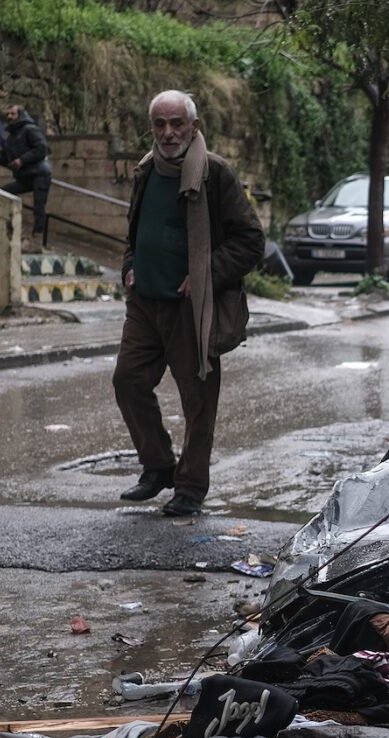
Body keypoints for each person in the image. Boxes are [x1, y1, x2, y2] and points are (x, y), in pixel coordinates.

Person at [113, 90, 263, 517]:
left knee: (198, 403)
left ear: (194, 126)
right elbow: (133, 233)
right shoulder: (146, 170)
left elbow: (251, 241)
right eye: (159, 124)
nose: (168, 132)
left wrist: (205, 274)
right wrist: (130, 265)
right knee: (128, 381)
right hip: (144, 304)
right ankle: (159, 465)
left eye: (176, 123)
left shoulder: (215, 173)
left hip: (192, 311)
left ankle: (190, 488)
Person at [0, 105, 52, 253]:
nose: (9, 116)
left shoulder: (30, 129)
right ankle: (13, 230)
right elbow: (5, 156)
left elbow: (41, 149)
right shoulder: (11, 136)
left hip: (39, 173)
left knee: (38, 206)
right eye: (8, 113)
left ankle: (37, 241)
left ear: (20, 115)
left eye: (13, 114)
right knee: (3, 193)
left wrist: (22, 160)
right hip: (25, 175)